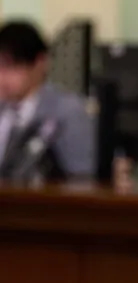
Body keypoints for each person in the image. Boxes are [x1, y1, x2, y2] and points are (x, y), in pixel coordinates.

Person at [0, 20, 94, 181]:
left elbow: (81, 177)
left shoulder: (68, 111)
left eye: (11, 67)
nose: (2, 77)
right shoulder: (3, 107)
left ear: (40, 63)